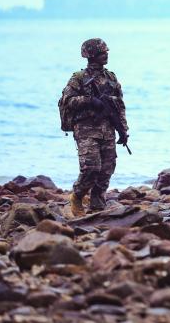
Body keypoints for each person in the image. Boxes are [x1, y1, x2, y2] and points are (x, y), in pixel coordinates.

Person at [59, 38, 128, 216]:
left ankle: (97, 204)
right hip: (86, 130)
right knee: (91, 168)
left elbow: (119, 105)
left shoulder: (111, 77)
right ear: (91, 55)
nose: (106, 55)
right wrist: (90, 101)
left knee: (107, 168)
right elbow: (68, 100)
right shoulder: (79, 78)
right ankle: (77, 196)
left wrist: (123, 130)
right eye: (102, 52)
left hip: (107, 130)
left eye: (106, 52)